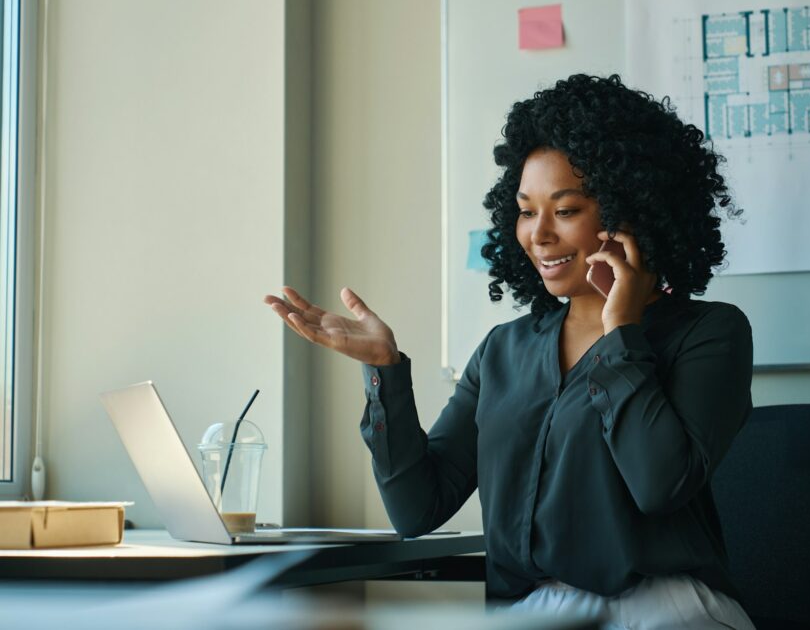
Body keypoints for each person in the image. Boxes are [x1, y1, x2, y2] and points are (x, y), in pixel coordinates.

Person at [265, 74, 755, 629]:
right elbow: (416, 510)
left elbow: (659, 485)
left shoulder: (710, 333)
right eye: (526, 210)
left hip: (661, 609)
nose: (538, 235)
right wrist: (386, 374)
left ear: (631, 213)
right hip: (529, 613)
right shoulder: (504, 350)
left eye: (565, 210)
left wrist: (622, 329)